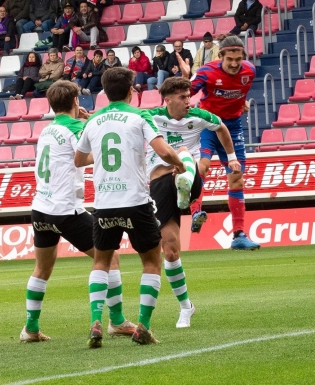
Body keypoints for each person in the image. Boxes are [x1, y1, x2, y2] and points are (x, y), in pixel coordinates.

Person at [74, 67, 187, 347]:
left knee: (101, 262)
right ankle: (144, 327)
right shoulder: (140, 115)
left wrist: (100, 158)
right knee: (151, 262)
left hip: (104, 205)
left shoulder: (94, 120)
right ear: (130, 91)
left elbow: (78, 159)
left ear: (104, 92)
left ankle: (96, 322)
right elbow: (163, 151)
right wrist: (181, 164)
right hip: (135, 202)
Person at [21, 80, 136, 342]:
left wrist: (85, 121)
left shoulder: (47, 131)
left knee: (41, 269)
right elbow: (103, 149)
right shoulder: (76, 128)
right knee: (110, 258)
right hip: (66, 210)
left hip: (41, 209)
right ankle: (116, 321)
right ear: (76, 101)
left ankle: (30, 328)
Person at [146, 77, 240, 327]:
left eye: (189, 96)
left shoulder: (199, 116)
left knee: (185, 154)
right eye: (183, 97)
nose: (189, 101)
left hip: (190, 173)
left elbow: (221, 127)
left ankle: (185, 185)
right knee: (170, 249)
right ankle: (186, 307)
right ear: (167, 100)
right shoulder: (151, 116)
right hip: (161, 184)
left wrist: (231, 158)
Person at [185, 36, 260, 249]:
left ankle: (239, 236)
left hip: (233, 127)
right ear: (221, 57)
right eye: (230, 59)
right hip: (208, 124)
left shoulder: (250, 71)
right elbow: (185, 92)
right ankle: (196, 213)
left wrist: (239, 102)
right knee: (203, 166)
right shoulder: (206, 72)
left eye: (239, 59)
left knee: (237, 178)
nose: (235, 64)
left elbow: (235, 91)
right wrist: (184, 79)